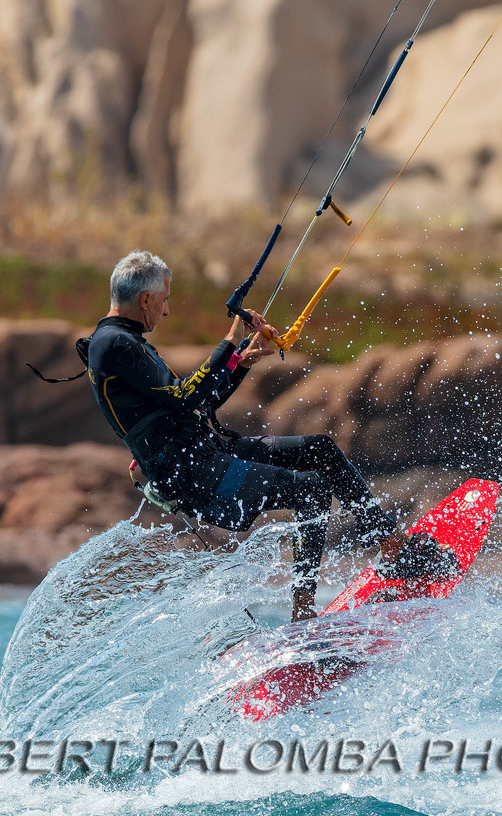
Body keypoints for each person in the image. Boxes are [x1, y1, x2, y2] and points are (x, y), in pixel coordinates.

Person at [81, 249, 401, 621]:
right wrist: (231, 338)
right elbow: (185, 397)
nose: (166, 311)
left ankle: (393, 547)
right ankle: (302, 614)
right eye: (164, 301)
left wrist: (242, 360)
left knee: (321, 450)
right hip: (193, 472)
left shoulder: (123, 341)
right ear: (146, 299)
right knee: (311, 491)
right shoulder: (115, 344)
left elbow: (197, 405)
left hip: (209, 452)